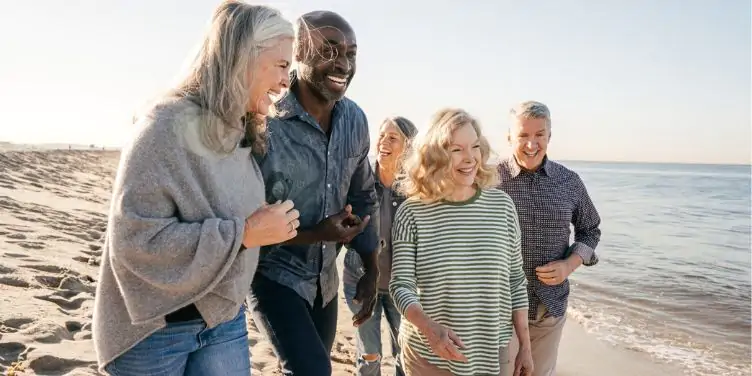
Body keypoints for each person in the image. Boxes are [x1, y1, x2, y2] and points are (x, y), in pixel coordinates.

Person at [92, 2, 298, 375]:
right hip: (154, 332)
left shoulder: (241, 131)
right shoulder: (163, 128)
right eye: (282, 65)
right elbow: (135, 241)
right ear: (241, 57)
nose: (287, 81)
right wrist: (245, 233)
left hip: (223, 320)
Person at [248, 10, 380, 376]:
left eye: (351, 53)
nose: (343, 63)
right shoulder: (264, 118)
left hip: (326, 281)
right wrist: (315, 234)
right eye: (330, 50)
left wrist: (371, 267)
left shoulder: (356, 120)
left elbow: (365, 194)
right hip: (272, 275)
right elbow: (244, 221)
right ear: (298, 53)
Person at [390, 108, 534, 376]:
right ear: (435, 155)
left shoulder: (502, 207)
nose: (470, 158)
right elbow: (401, 286)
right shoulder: (412, 212)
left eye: (475, 147)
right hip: (429, 354)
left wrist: (525, 345)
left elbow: (516, 279)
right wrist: (430, 329)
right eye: (456, 149)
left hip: (493, 352)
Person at [497, 101, 602, 376]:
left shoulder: (569, 181)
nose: (532, 144)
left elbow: (590, 229)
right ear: (509, 137)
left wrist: (569, 265)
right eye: (523, 135)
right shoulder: (488, 181)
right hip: (500, 308)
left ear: (549, 136)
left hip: (549, 307)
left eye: (539, 135)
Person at [342, 116, 418, 376]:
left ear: (407, 147)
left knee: (405, 355)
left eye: (392, 138)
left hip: (403, 287)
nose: (383, 142)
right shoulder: (358, 180)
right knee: (370, 354)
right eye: (382, 135)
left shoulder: (416, 188)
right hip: (361, 282)